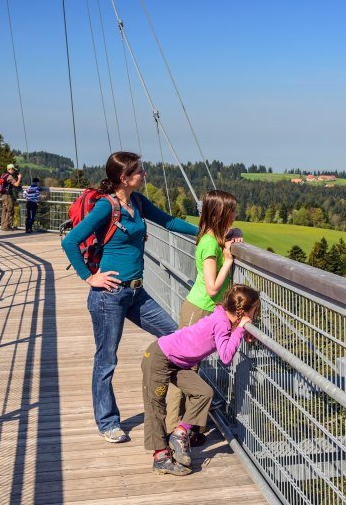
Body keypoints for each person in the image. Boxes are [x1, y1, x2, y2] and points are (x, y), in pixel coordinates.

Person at [61, 151, 198, 444]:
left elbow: (169, 222)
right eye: (140, 171)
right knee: (106, 359)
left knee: (176, 337)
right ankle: (108, 421)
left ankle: (183, 401)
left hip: (137, 293)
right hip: (108, 296)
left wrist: (209, 234)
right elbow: (70, 240)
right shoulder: (104, 207)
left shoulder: (136, 202)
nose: (144, 175)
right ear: (124, 178)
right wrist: (90, 277)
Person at [142, 284, 260, 475]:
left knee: (203, 392)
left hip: (176, 362)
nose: (255, 315)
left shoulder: (222, 316)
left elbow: (224, 335)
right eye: (254, 311)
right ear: (245, 311)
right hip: (159, 358)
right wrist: (240, 330)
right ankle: (161, 457)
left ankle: (180, 433)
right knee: (156, 406)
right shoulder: (222, 322)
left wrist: (240, 329)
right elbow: (226, 357)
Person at [166, 190, 242, 438]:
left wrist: (235, 235)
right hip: (198, 310)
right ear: (220, 213)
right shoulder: (209, 243)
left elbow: (229, 236)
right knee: (184, 369)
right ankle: (173, 427)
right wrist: (228, 260)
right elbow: (212, 287)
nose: (235, 215)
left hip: (208, 311)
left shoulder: (214, 238)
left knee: (193, 371)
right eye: (231, 211)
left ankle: (192, 427)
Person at [0, 164, 22, 231]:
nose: (14, 171)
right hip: (8, 195)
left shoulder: (3, 175)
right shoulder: (9, 177)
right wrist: (19, 178)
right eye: (13, 169)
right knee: (9, 210)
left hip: (3, 195)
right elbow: (16, 184)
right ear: (10, 169)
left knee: (4, 210)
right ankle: (6, 226)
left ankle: (3, 225)